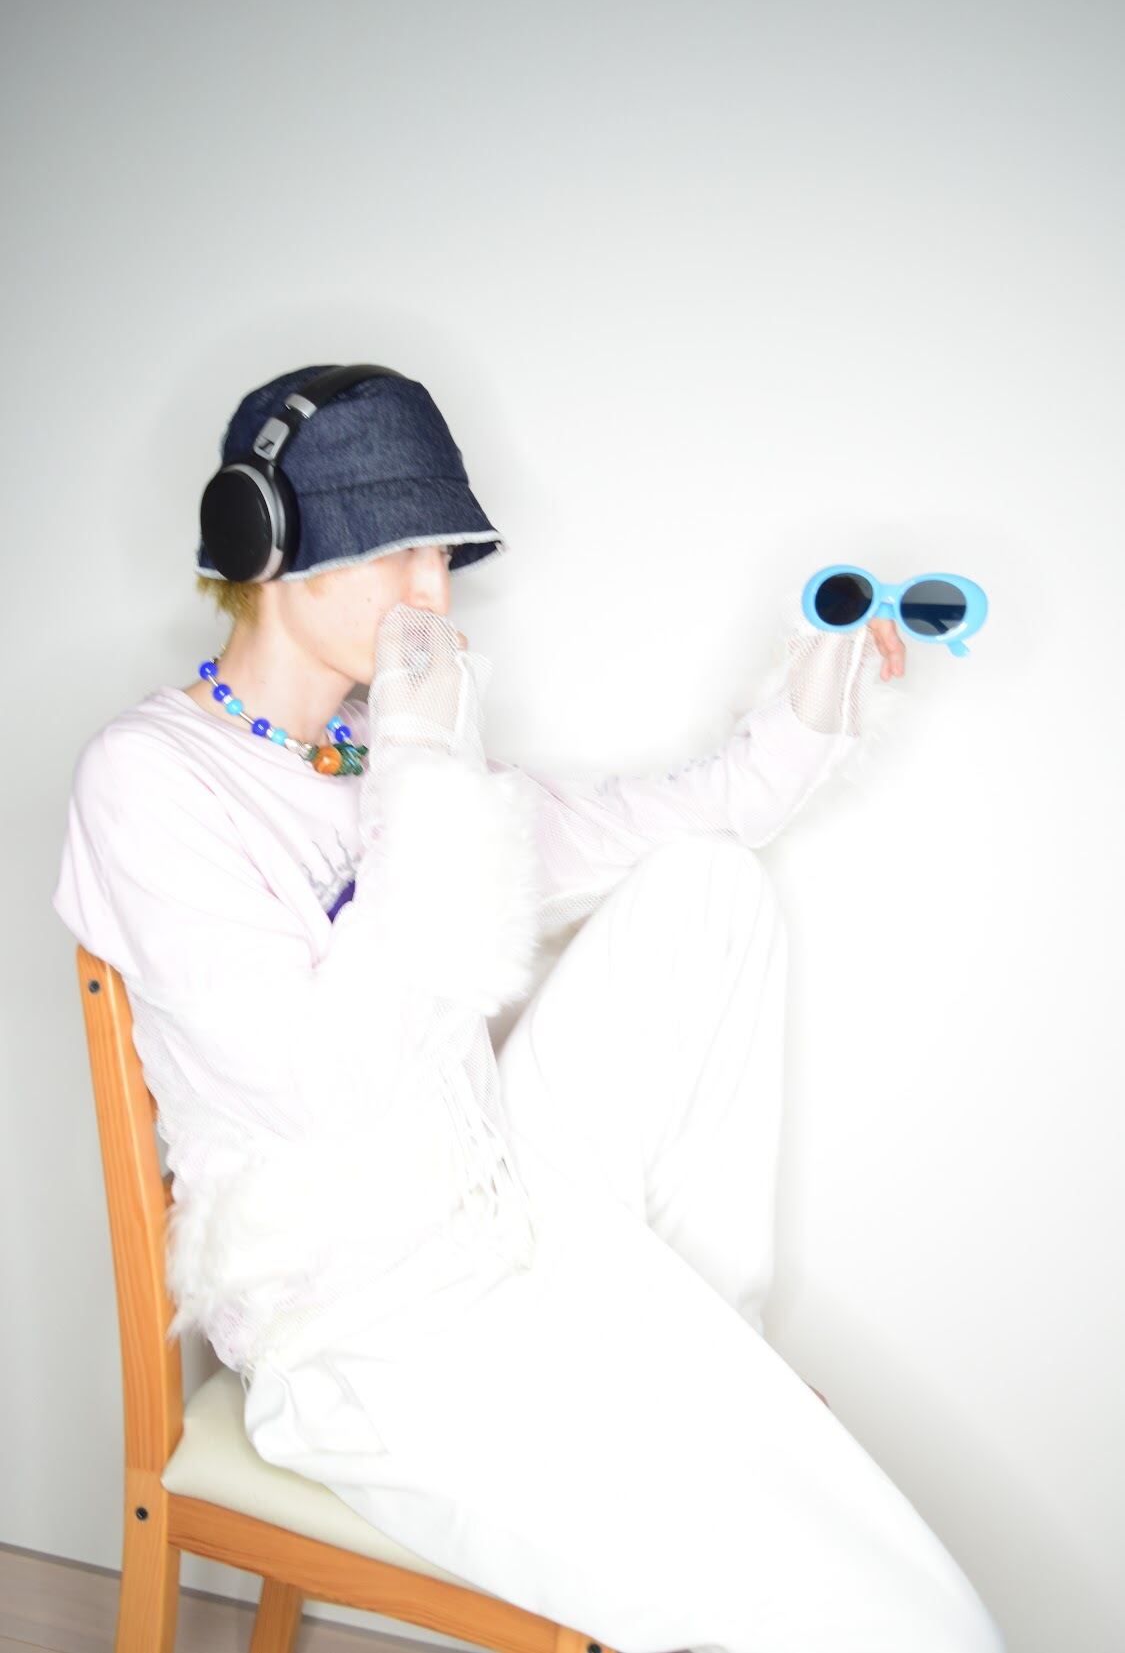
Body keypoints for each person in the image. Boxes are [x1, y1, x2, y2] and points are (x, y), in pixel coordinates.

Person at [51, 365, 1004, 1653]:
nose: (435, 596)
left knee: (705, 888)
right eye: (397, 553)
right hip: (362, 1337)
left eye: (443, 556)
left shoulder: (381, 747)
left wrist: (821, 695)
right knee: (884, 1611)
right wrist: (424, 770)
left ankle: (703, 1342)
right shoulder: (152, 779)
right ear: (262, 544)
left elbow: (689, 818)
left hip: (509, 1233)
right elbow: (322, 1084)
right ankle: (696, 1419)